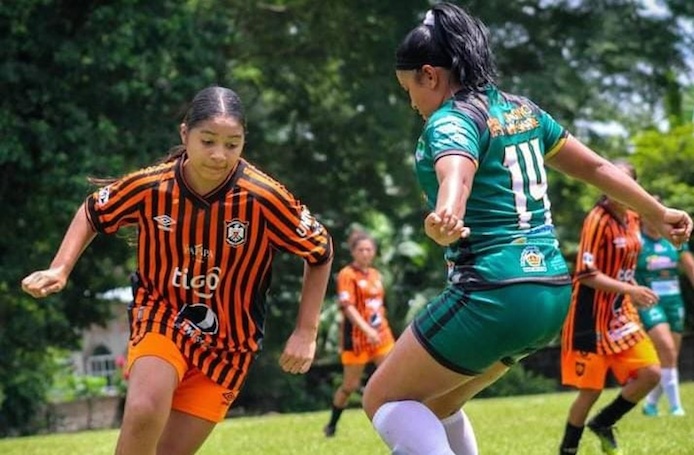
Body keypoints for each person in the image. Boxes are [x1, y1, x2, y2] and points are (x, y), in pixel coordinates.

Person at [359, 4, 693, 455]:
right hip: (549, 293)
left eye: (408, 89)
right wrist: (657, 211)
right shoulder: (522, 111)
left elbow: (456, 172)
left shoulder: (451, 120)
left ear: (430, 75)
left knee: (382, 399)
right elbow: (596, 167)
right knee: (437, 403)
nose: (412, 103)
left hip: (495, 292)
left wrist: (448, 212)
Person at [21, 86, 333, 455]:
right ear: (185, 134)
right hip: (163, 314)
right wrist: (60, 268)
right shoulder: (151, 185)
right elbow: (93, 211)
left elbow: (320, 250)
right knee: (143, 409)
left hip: (228, 346)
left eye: (232, 144)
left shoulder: (265, 197)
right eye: (208, 141)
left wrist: (306, 330)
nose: (219, 154)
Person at [559, 161, 664, 455]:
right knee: (591, 391)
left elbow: (627, 261)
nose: (616, 187)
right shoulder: (597, 219)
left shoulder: (632, 217)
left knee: (651, 373)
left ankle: (603, 423)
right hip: (589, 318)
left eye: (623, 182)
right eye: (611, 181)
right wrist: (631, 290)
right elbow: (585, 274)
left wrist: (633, 288)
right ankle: (568, 449)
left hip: (620, 314)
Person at [323, 229, 395, 437]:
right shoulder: (347, 275)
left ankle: (395, 423)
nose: (365, 253)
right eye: (361, 249)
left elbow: (378, 305)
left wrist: (378, 328)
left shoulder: (375, 275)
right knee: (349, 386)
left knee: (395, 378)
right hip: (357, 340)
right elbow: (348, 307)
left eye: (369, 249)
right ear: (353, 252)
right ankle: (331, 425)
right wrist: (366, 330)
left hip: (382, 337)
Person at [637, 199, 694, 417]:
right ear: (642, 216)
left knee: (669, 357)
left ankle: (650, 404)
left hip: (674, 302)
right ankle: (676, 407)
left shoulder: (673, 239)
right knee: (667, 349)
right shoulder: (636, 240)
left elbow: (690, 266)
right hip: (650, 302)